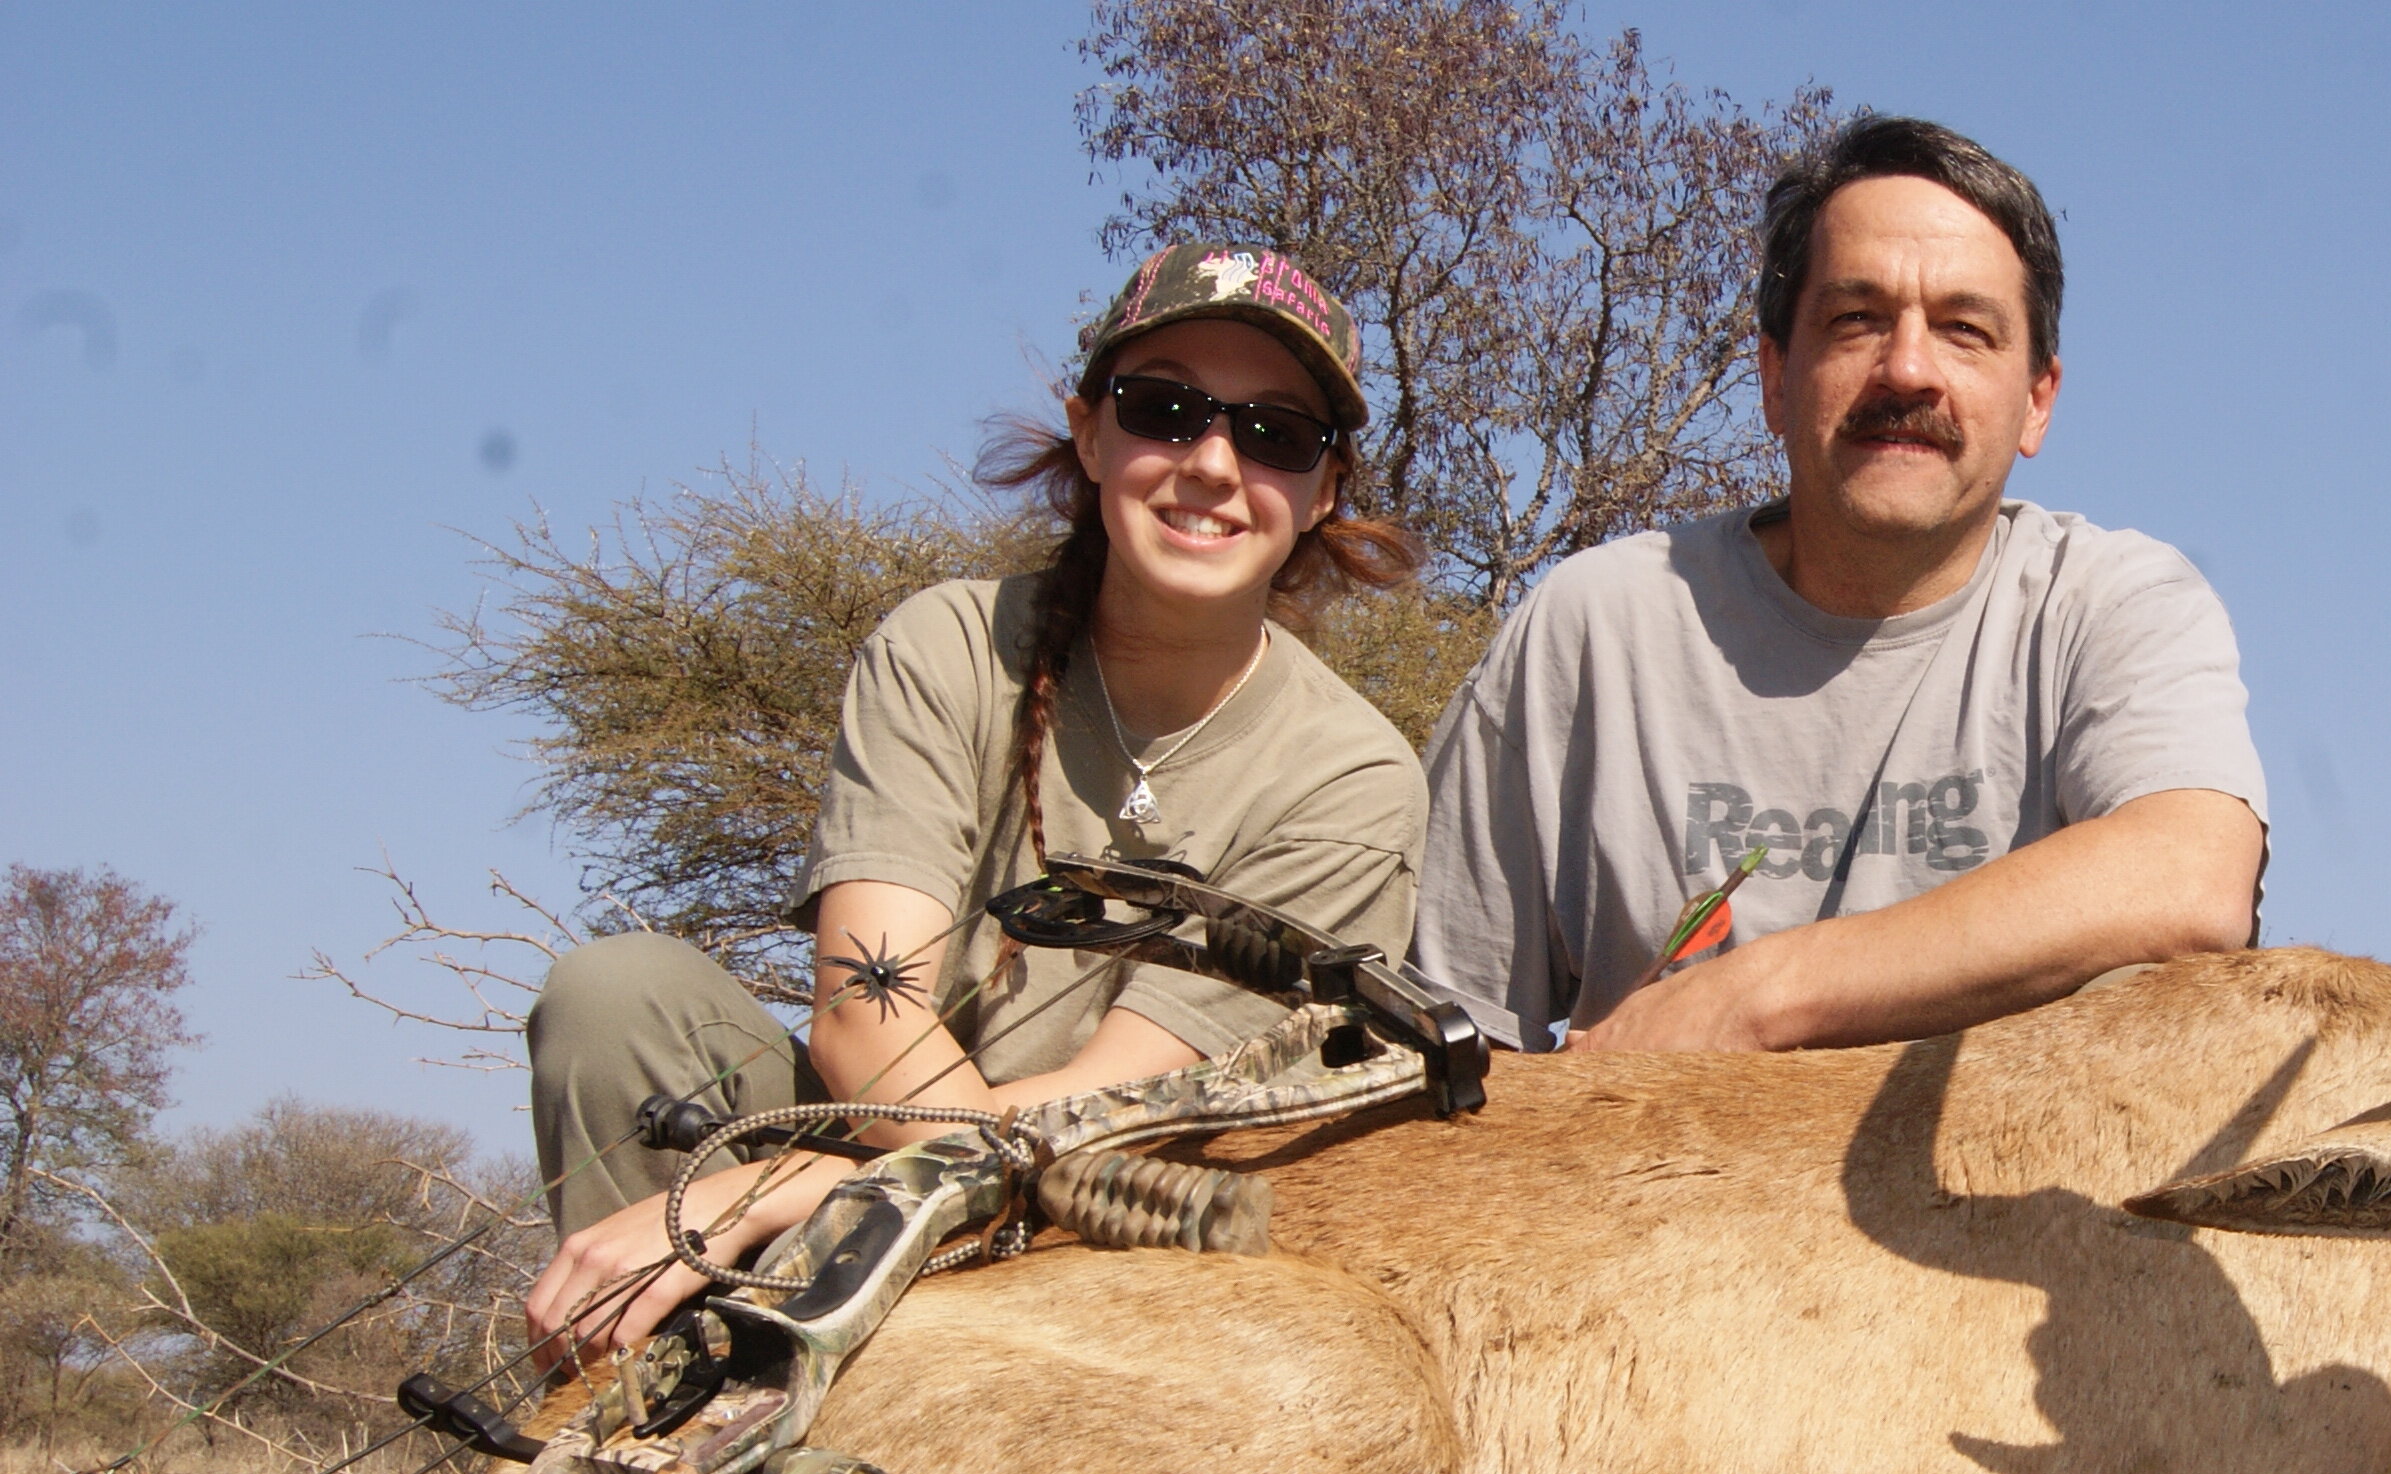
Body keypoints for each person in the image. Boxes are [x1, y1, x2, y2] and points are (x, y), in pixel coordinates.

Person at [520, 244, 1426, 1358]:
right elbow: (865, 1017)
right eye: (1162, 409)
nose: (1210, 463)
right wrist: (827, 1178)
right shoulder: (945, 644)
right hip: (881, 1133)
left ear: (1324, 488)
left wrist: (790, 1186)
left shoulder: (1356, 779)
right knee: (618, 997)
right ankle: (646, 1408)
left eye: (1273, 433)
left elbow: (1114, 1113)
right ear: (1089, 433)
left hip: (1116, 1212)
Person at [1413, 116, 2268, 1053]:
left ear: (2036, 401)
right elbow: (1448, 1033)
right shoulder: (1591, 627)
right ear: (1777, 379)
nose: (1907, 368)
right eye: (1856, 319)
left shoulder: (2112, 602)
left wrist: (1757, 996)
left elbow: (2191, 879)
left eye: (1965, 330)